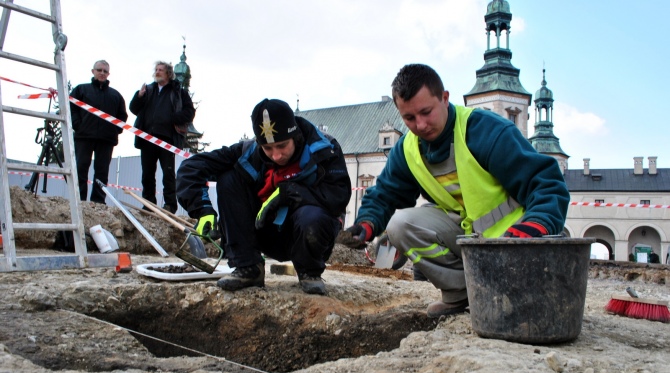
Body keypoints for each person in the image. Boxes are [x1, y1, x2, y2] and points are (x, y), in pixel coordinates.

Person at [339, 64, 570, 318]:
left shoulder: (485, 131)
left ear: (445, 98)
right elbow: (385, 194)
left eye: (426, 112)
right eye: (410, 118)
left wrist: (535, 226)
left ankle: (499, 288)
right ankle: (463, 292)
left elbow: (546, 183)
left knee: (522, 303)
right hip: (468, 237)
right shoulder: (407, 150)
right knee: (399, 225)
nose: (421, 125)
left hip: (513, 241)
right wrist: (366, 224)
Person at [176, 98, 351, 295]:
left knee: (313, 216)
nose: (276, 155)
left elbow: (338, 196)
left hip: (307, 234)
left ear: (296, 136)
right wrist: (203, 210)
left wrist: (289, 193)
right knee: (229, 178)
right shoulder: (249, 151)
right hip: (264, 230)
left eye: (282, 146)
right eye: (268, 148)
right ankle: (248, 267)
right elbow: (190, 168)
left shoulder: (325, 148)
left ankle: (309, 271)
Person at [129, 61, 195, 213]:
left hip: (167, 139)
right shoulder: (149, 89)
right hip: (147, 137)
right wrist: (139, 96)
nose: (157, 72)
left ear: (169, 73)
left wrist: (173, 118)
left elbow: (189, 113)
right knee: (147, 174)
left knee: (168, 174)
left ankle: (170, 205)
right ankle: (148, 204)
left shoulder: (178, 92)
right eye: (156, 70)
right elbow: (133, 109)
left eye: (161, 70)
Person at [70, 60, 128, 203]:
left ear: (108, 74)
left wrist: (115, 130)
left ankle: (98, 201)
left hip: (106, 139)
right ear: (93, 71)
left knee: (102, 172)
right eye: (99, 70)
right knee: (81, 168)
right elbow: (71, 108)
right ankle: (79, 199)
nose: (102, 73)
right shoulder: (81, 90)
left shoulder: (116, 95)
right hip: (84, 136)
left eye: (105, 71)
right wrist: (78, 125)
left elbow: (122, 116)